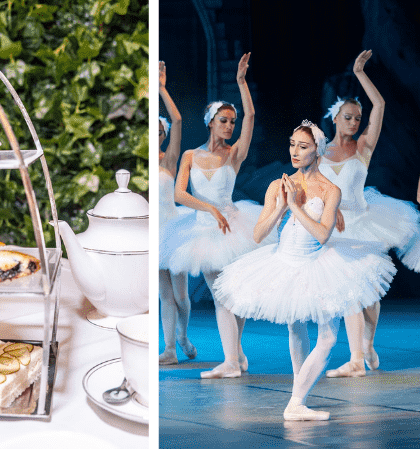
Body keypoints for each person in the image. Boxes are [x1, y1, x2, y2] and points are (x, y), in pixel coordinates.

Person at [213, 121, 396, 420]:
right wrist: (281, 207)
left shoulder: (329, 190)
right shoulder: (278, 185)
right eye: (292, 144)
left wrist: (295, 206)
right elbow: (258, 235)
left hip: (318, 263)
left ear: (317, 151)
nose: (295, 151)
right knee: (295, 327)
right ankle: (297, 401)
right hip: (284, 261)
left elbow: (323, 234)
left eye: (303, 146)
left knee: (328, 337)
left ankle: (298, 399)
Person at [160, 52, 268, 378]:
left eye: (232, 121)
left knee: (235, 294)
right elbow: (180, 194)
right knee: (221, 294)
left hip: (234, 227)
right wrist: (207, 207)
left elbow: (251, 115)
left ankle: (235, 357)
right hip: (202, 231)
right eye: (224, 120)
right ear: (210, 122)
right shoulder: (192, 155)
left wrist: (241, 83)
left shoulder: (234, 155)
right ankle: (233, 361)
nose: (230, 126)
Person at [318, 50, 420, 378]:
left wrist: (360, 73)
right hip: (335, 228)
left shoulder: (363, 147)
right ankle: (355, 359)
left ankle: (367, 344)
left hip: (365, 222)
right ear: (334, 118)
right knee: (350, 290)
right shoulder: (319, 153)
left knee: (369, 292)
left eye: (356, 118)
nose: (353, 122)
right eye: (347, 116)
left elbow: (380, 107)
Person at [158, 61, 196, 365]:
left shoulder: (168, 160)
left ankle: (183, 335)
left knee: (181, 296)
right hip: (154, 232)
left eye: (160, 130)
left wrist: (161, 89)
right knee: (164, 294)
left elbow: (179, 120)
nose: (155, 134)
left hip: (173, 229)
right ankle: (169, 348)